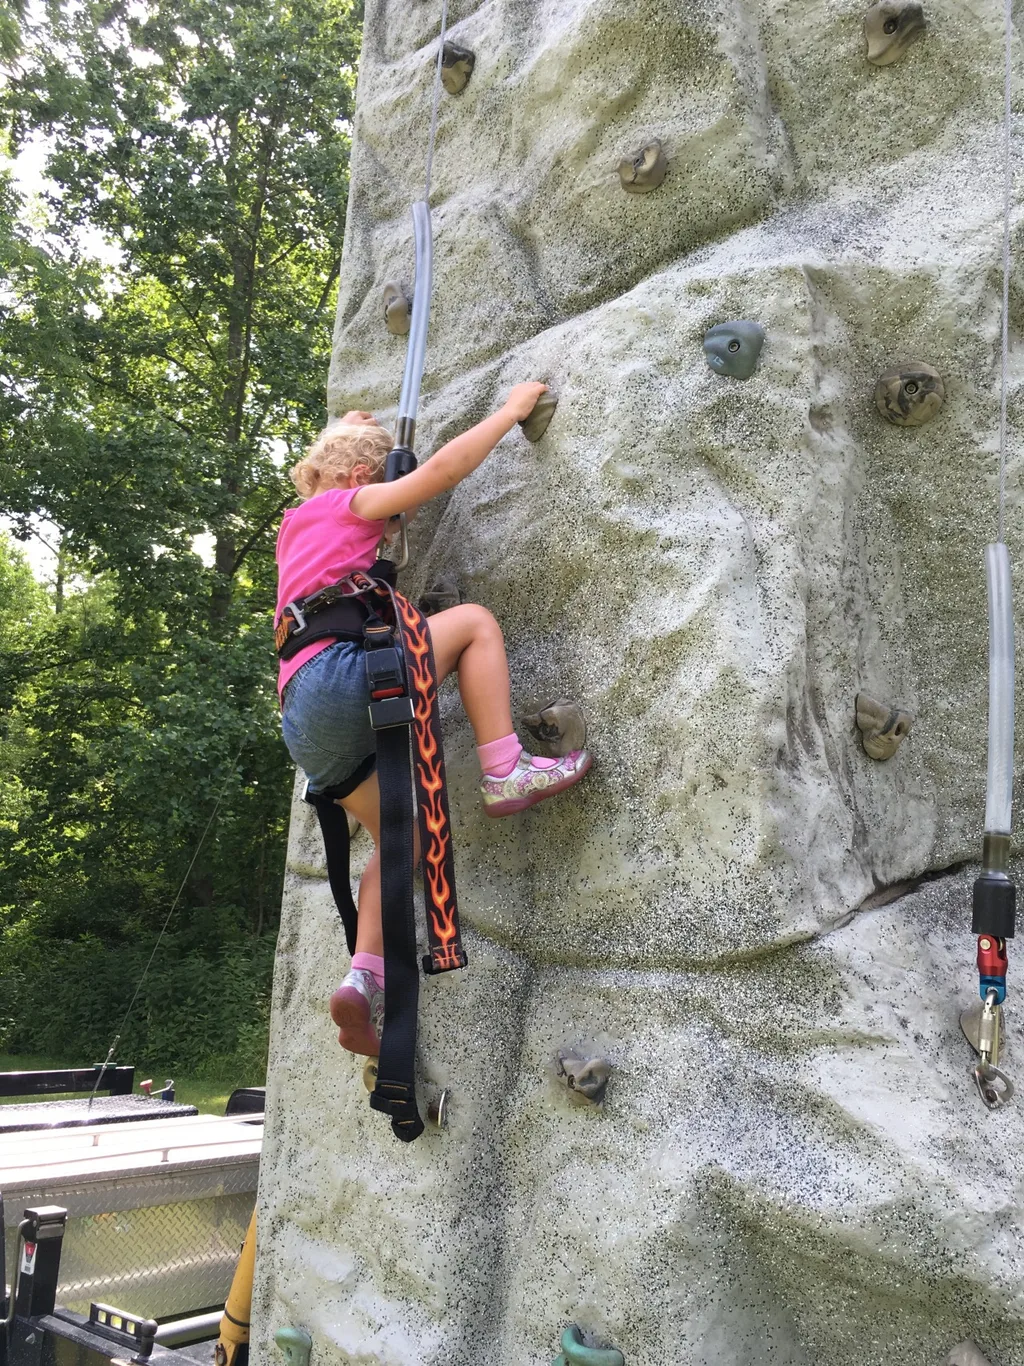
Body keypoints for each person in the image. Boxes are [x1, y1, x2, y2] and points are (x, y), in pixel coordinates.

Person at [275, 385, 592, 1057]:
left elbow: (337, 470)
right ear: (362, 479)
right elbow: (443, 472)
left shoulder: (297, 524)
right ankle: (505, 768)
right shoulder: (350, 502)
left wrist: (351, 429)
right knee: (473, 623)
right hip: (337, 680)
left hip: (303, 719)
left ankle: (362, 979)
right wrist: (509, 412)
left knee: (402, 837)